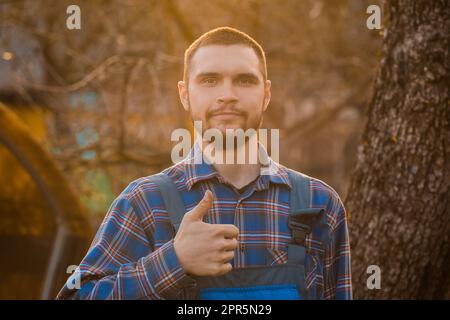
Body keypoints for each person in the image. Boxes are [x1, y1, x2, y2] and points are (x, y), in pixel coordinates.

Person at [57, 26, 352, 300]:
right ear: (185, 95)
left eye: (244, 80)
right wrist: (173, 261)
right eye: (210, 80)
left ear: (266, 94)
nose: (227, 95)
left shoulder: (319, 204)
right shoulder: (145, 202)